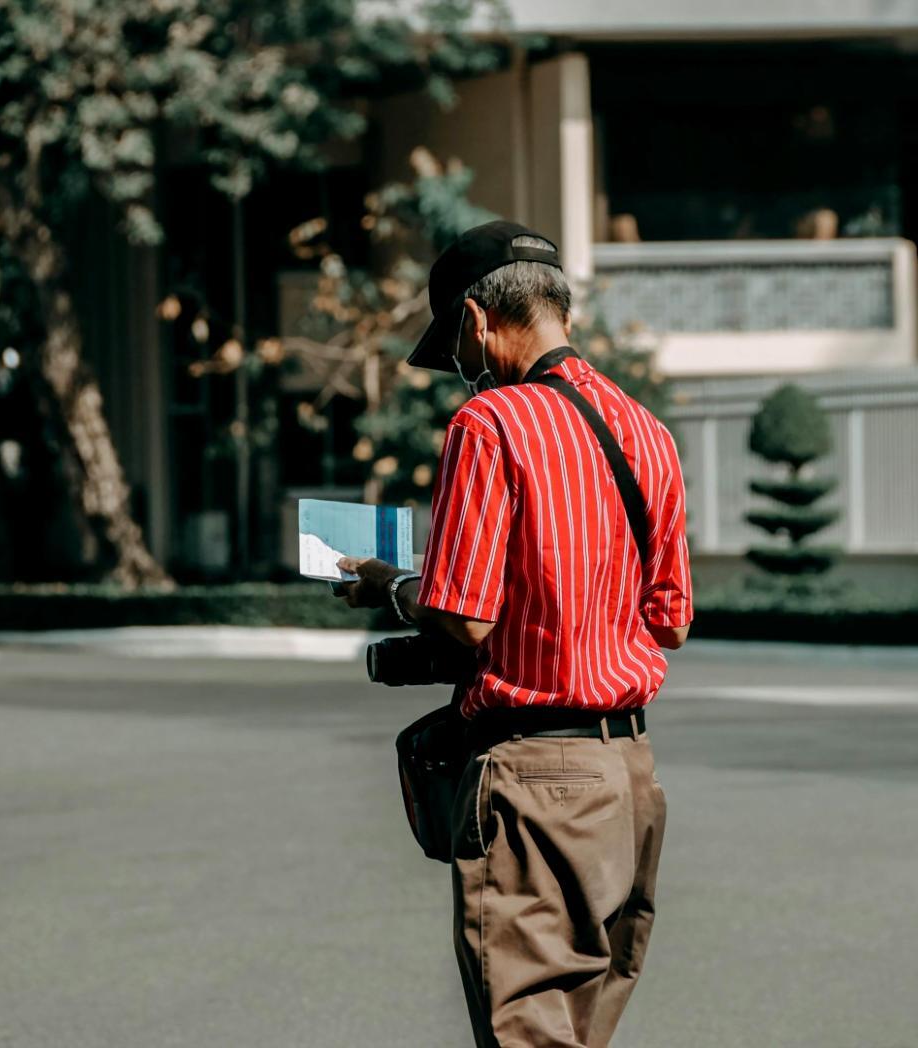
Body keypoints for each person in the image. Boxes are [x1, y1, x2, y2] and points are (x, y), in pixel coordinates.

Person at [335, 220, 692, 1048]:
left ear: (473, 321)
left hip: (538, 783)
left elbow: (465, 615)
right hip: (628, 779)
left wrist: (392, 587)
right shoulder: (647, 431)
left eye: (454, 348)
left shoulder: (490, 425)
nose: (459, 368)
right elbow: (670, 621)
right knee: (580, 1031)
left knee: (530, 1037)